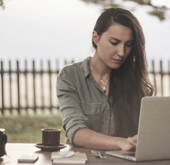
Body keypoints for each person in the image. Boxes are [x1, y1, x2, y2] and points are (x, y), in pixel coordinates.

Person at [56, 7, 153, 151]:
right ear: (96, 37)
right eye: (114, 42)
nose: (121, 53)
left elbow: (147, 132)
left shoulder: (135, 81)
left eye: (128, 45)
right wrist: (121, 142)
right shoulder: (70, 76)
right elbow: (76, 133)